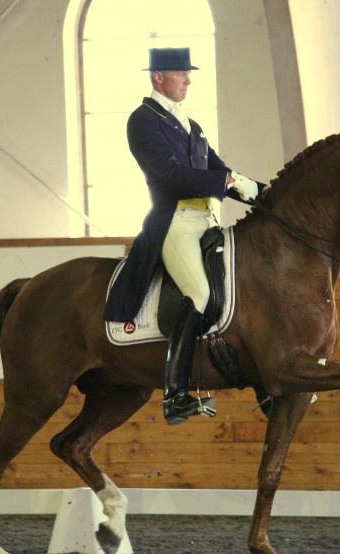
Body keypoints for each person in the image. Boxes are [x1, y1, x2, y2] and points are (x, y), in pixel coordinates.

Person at [103, 47, 262, 425]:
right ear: (159, 77)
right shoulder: (143, 121)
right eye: (181, 73)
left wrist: (265, 192)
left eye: (189, 74)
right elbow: (172, 174)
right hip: (174, 221)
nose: (189, 80)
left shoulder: (191, 125)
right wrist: (224, 181)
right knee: (201, 293)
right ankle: (175, 393)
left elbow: (223, 171)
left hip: (208, 222)